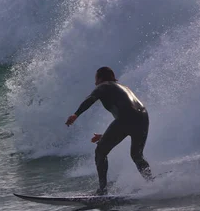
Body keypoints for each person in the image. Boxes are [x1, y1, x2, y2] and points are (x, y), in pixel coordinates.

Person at [65, 67, 152, 195]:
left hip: (126, 119)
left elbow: (90, 99)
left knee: (100, 151)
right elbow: (128, 119)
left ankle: (102, 190)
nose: (95, 83)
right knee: (137, 155)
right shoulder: (123, 87)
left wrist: (75, 114)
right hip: (143, 118)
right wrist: (106, 136)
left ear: (100, 78)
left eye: (96, 79)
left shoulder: (103, 86)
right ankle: (152, 183)